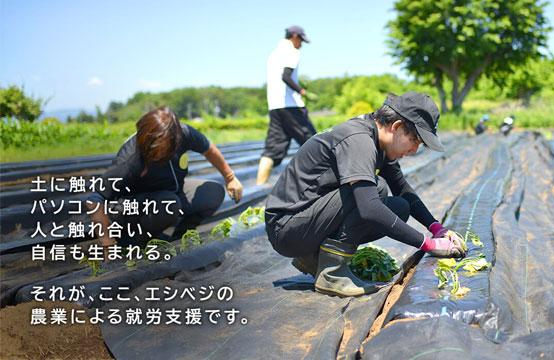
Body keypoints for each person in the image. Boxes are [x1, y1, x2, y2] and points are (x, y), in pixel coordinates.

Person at [264, 92, 466, 297]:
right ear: (396, 127)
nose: (415, 149)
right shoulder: (360, 140)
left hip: (305, 221)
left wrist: (437, 228)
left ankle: (313, 258)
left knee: (399, 207)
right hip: (287, 226)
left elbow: (403, 189)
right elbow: (369, 208)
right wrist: (428, 244)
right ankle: (332, 274)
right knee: (374, 191)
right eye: (415, 140)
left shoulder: (379, 141)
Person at [87, 106, 243, 260]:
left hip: (171, 193)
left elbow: (208, 148)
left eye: (165, 147)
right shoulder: (130, 159)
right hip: (131, 209)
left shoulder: (182, 133)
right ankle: (134, 242)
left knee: (213, 192)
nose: (160, 152)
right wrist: (107, 242)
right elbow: (94, 199)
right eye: (156, 148)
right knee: (169, 203)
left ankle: (180, 236)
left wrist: (230, 177)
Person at [256, 25, 317, 185]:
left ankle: (257, 188)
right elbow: (286, 76)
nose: (301, 44)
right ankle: (322, 186)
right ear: (294, 36)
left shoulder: (273, 54)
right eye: (301, 40)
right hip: (291, 106)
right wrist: (302, 91)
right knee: (315, 142)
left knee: (272, 151)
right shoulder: (292, 52)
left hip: (275, 107)